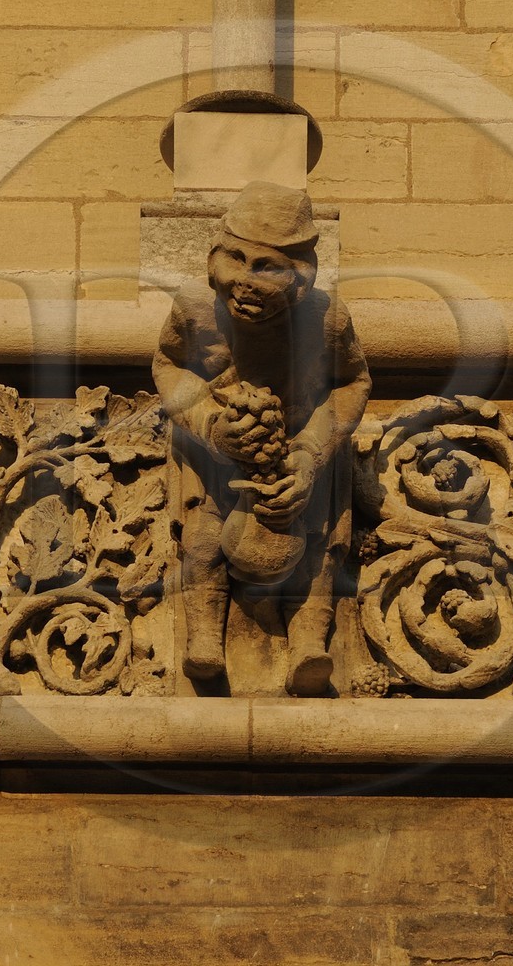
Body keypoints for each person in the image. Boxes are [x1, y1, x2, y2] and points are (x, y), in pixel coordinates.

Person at [153, 181, 371, 696]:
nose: (245, 282)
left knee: (315, 543)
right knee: (204, 537)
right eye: (235, 260)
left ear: (302, 275)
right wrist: (207, 423)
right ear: (213, 257)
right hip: (217, 446)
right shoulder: (194, 309)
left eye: (266, 267)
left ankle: (309, 644)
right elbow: (167, 365)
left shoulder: (327, 319)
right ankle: (204, 638)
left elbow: (352, 382)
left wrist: (312, 453)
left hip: (298, 445)